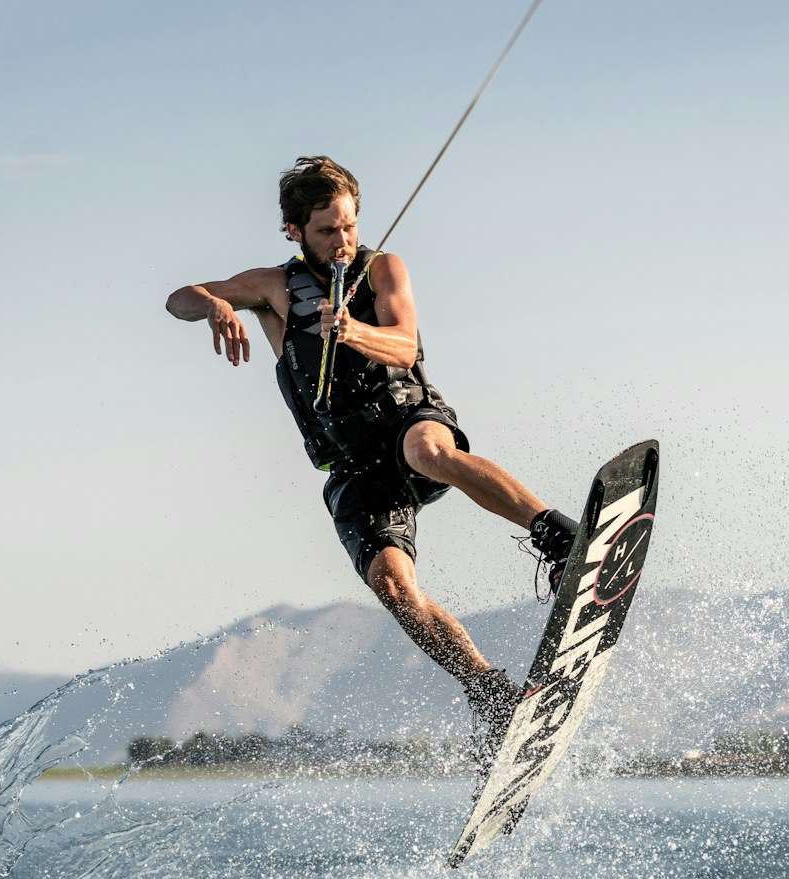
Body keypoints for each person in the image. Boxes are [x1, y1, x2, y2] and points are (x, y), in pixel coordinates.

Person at [164, 155, 580, 767]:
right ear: (294, 231)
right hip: (353, 463)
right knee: (390, 583)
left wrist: (352, 331)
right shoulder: (272, 287)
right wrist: (215, 306)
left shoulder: (382, 268)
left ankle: (559, 536)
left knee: (428, 451)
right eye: (327, 230)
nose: (342, 240)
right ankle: (492, 695)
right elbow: (176, 299)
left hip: (406, 418)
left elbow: (405, 344)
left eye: (349, 225)